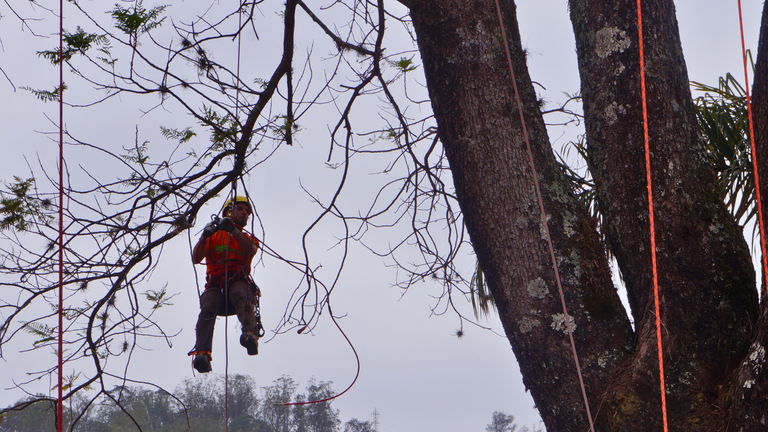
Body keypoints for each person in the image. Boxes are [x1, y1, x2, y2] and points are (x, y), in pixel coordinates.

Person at [188, 195, 262, 373]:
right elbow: (196, 258)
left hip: (237, 284)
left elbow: (250, 249)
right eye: (242, 209)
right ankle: (202, 353)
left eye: (247, 212)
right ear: (229, 211)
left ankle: (250, 334)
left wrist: (234, 231)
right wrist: (205, 236)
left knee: (239, 292)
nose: (245, 214)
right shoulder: (213, 237)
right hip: (216, 288)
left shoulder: (247, 238)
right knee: (208, 304)